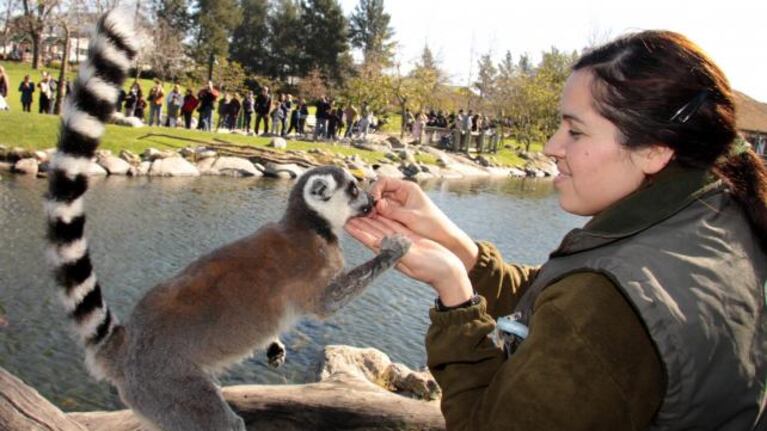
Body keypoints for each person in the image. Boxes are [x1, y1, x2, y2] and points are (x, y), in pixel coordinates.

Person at [345, 30, 767, 430]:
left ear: (654, 149)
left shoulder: (605, 302)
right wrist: (454, 243)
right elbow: (552, 301)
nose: (551, 147)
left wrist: (454, 296)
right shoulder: (715, 210)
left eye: (575, 130)